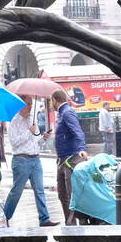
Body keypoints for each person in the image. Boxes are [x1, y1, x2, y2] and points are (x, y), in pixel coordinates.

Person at [3, 98, 60, 227]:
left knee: (39, 190)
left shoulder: (31, 120)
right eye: (27, 104)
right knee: (16, 191)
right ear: (21, 105)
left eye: (30, 104)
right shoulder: (13, 121)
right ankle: (5, 217)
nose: (30, 106)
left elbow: (36, 142)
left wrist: (43, 138)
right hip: (21, 159)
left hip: (36, 159)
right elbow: (15, 143)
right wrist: (29, 131)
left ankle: (44, 219)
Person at [52, 89, 89, 224]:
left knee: (71, 194)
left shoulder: (67, 112)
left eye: (52, 102)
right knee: (62, 194)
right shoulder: (62, 114)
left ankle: (76, 223)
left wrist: (82, 149)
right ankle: (70, 223)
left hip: (70, 159)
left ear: (54, 101)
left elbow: (78, 132)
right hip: (62, 159)